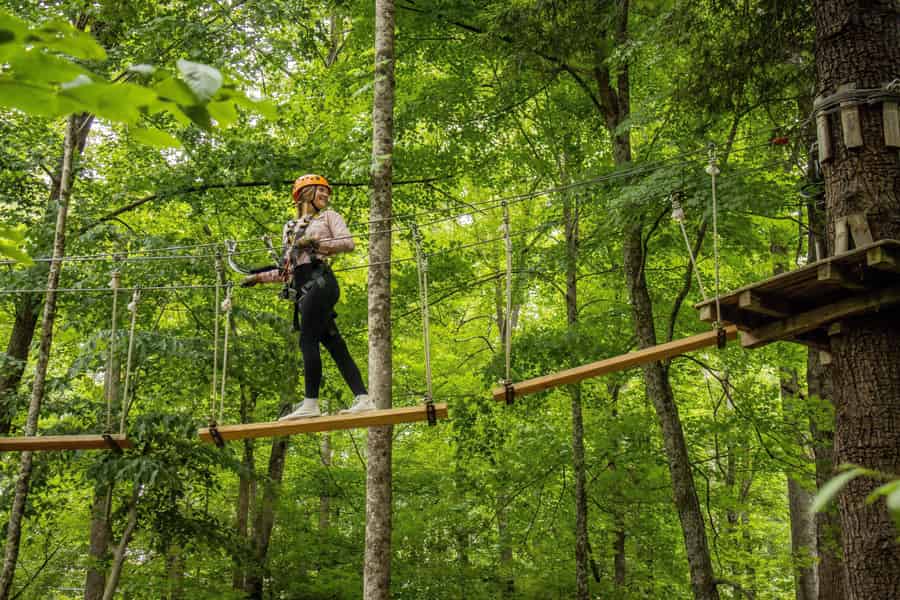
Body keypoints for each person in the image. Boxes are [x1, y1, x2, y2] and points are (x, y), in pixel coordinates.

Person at [241, 174, 374, 419]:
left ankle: (310, 404)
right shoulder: (290, 229)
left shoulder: (329, 217)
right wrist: (258, 278)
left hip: (321, 282)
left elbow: (347, 243)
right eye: (320, 191)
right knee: (335, 346)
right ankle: (364, 398)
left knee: (307, 340)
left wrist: (315, 244)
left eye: (327, 192)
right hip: (303, 290)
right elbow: (287, 270)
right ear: (305, 194)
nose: (326, 196)